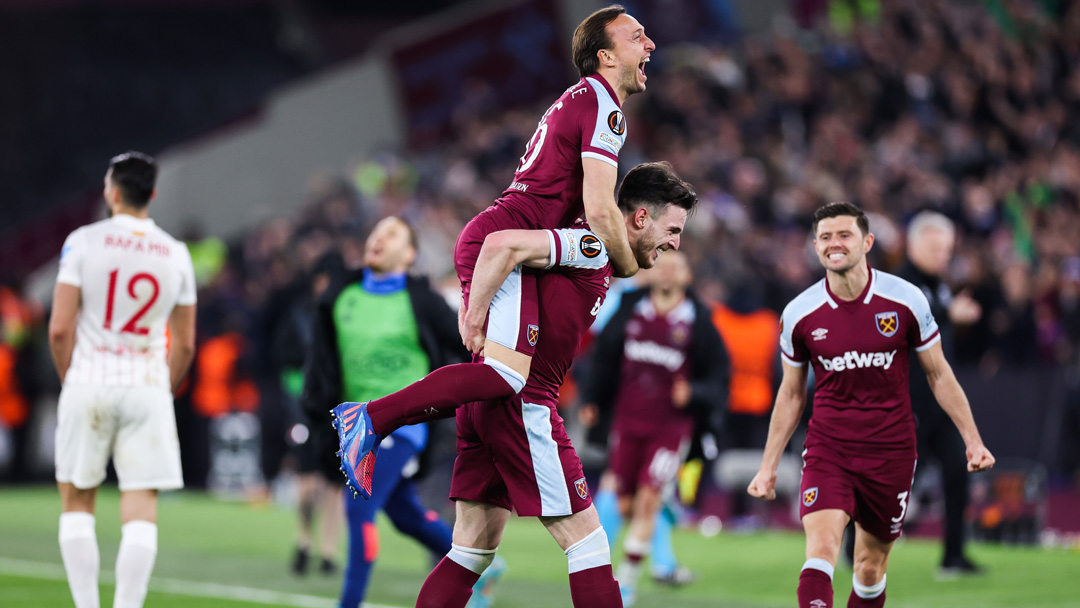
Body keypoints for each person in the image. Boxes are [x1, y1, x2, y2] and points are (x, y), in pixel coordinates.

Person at [332, 4, 656, 499]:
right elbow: (599, 208)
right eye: (636, 37)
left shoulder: (580, 100)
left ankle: (413, 439)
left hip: (509, 245)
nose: (649, 45)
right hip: (503, 243)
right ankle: (371, 418)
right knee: (505, 375)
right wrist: (628, 263)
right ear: (606, 56)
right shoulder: (604, 108)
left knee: (498, 380)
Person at [411, 162, 697, 608]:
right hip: (523, 400)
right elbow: (502, 243)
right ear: (640, 217)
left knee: (471, 551)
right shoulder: (588, 243)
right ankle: (371, 418)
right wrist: (473, 315)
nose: (675, 243)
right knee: (588, 547)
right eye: (673, 229)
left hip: (491, 402)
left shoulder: (603, 259)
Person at [747, 202, 995, 608]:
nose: (834, 244)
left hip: (892, 451)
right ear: (815, 247)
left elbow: (939, 374)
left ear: (867, 242)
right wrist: (768, 466)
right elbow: (792, 394)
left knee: (868, 568)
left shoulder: (906, 300)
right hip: (830, 448)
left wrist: (973, 440)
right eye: (825, 237)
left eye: (844, 235)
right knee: (822, 550)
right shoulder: (799, 314)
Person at [302, 217, 501, 607]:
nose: (377, 236)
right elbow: (321, 363)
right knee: (405, 515)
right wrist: (315, 412)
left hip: (405, 428)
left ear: (409, 254)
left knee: (359, 513)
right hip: (354, 426)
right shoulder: (339, 297)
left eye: (391, 233)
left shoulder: (422, 300)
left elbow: (466, 346)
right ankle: (482, 565)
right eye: (375, 231)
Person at [48, 151, 197, 608]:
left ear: (112, 191)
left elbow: (59, 327)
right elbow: (187, 343)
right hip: (146, 385)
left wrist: (70, 377)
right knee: (140, 511)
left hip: (89, 380)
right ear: (152, 194)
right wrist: (163, 389)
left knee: (77, 502)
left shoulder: (84, 241)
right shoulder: (175, 253)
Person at [579, 250, 728, 606]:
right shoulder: (631, 307)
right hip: (627, 421)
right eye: (661, 265)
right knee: (626, 502)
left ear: (686, 276)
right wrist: (592, 400)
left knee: (648, 498)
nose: (666, 273)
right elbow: (604, 356)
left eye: (675, 267)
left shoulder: (699, 320)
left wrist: (693, 392)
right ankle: (653, 553)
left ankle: (626, 584)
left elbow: (720, 378)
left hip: (670, 427)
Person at [898, 211, 984, 577]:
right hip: (907, 401)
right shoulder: (898, 283)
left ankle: (953, 555)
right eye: (936, 248)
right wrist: (950, 313)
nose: (943, 256)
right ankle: (854, 545)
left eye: (947, 250)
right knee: (888, 484)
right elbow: (907, 318)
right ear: (914, 244)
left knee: (957, 471)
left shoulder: (940, 285)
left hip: (938, 402)